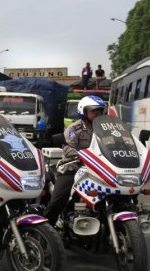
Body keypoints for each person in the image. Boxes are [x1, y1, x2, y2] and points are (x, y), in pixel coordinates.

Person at [44, 95, 106, 225]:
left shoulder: (105, 129)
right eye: (94, 111)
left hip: (100, 169)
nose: (98, 113)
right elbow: (68, 148)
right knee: (58, 200)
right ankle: (45, 231)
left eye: (100, 111)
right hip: (74, 167)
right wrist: (84, 156)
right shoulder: (74, 129)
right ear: (84, 111)